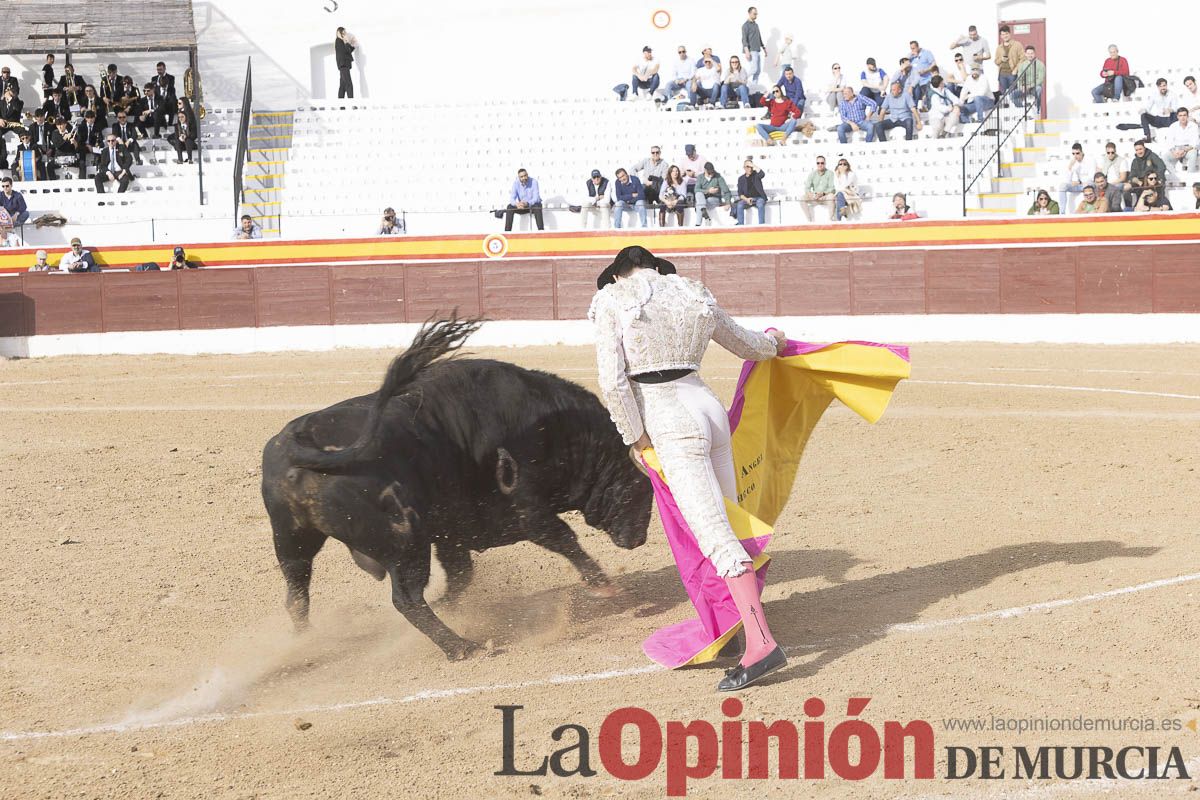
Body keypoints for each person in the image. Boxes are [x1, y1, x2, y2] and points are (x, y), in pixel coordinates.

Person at [588, 245, 788, 691]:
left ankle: (760, 643)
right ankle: (743, 629)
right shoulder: (690, 291)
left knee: (715, 536)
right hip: (708, 409)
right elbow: (748, 346)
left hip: (670, 418)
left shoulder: (613, 299)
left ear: (618, 274)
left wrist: (636, 438)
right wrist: (776, 341)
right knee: (729, 525)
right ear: (655, 267)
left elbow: (612, 381)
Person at [1126, 139, 1167, 208]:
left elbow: (1161, 167)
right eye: (1137, 150)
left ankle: (1159, 205)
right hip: (1141, 183)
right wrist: (1138, 182)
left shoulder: (1152, 156)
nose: (1139, 152)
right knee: (1126, 188)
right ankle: (1131, 207)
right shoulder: (1135, 161)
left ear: (1144, 148)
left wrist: (1159, 178)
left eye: (1140, 149)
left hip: (1153, 180)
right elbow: (1131, 176)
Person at [1162, 107, 1200, 174]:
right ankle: (1175, 175)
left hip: (1189, 148)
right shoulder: (1173, 126)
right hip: (1176, 149)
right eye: (1180, 115)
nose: (1182, 117)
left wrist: (1184, 150)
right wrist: (1174, 151)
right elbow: (1169, 141)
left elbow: (1195, 142)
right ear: (1177, 116)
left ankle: (1190, 176)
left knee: (1193, 155)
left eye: (1184, 115)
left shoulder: (1193, 126)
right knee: (1164, 158)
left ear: (1187, 116)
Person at [694, 162, 731, 226]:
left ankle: (698, 224)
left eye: (712, 172)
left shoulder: (718, 177)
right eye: (709, 172)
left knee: (699, 205)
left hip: (714, 199)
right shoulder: (700, 177)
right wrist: (708, 191)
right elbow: (696, 189)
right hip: (703, 199)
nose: (711, 174)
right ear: (705, 170)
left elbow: (726, 191)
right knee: (698, 194)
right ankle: (703, 211)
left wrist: (727, 202)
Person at [801, 156, 835, 222]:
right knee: (802, 198)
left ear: (825, 163)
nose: (820, 165)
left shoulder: (830, 173)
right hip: (815, 197)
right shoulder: (812, 174)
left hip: (825, 197)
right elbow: (807, 188)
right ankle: (809, 220)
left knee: (831, 196)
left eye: (822, 163)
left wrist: (823, 194)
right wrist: (812, 195)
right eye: (818, 163)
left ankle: (830, 219)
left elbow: (832, 188)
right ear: (816, 164)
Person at [734, 159, 767, 225]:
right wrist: (746, 199)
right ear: (744, 168)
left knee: (760, 204)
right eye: (748, 167)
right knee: (739, 205)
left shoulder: (756, 175)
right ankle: (741, 225)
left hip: (758, 197)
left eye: (751, 167)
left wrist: (753, 165)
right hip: (747, 199)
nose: (750, 169)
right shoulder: (741, 179)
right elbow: (740, 194)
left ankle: (762, 225)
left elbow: (762, 174)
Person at [995, 25, 1024, 100]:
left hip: (1012, 73)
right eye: (1003, 34)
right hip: (1002, 74)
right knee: (1004, 95)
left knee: (1013, 94)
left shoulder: (1017, 44)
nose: (1005, 36)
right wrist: (1001, 59)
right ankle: (1006, 110)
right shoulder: (999, 47)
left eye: (1006, 34)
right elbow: (996, 61)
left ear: (1010, 34)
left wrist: (1016, 69)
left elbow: (1023, 58)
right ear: (1001, 36)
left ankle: (1016, 109)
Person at [1058, 143, 1089, 211]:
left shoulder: (1089, 160)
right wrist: (1070, 166)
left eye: (1077, 153)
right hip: (1080, 185)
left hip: (1088, 184)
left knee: (1089, 183)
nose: (1075, 156)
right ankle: (1062, 212)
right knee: (1062, 186)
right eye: (1073, 154)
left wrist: (1079, 182)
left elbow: (1091, 177)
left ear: (1082, 152)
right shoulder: (1074, 162)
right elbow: (1068, 180)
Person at [907, 40, 936, 108]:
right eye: (911, 48)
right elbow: (904, 64)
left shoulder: (926, 53)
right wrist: (909, 56)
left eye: (913, 48)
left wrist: (926, 70)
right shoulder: (911, 56)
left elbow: (934, 64)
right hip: (915, 82)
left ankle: (927, 107)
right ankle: (914, 109)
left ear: (918, 47)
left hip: (925, 80)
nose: (912, 50)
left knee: (927, 94)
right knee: (912, 92)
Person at [742, 7, 766, 83]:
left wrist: (764, 48)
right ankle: (742, 78)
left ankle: (754, 87)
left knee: (758, 71)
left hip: (757, 50)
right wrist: (746, 51)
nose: (756, 15)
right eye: (754, 13)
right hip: (751, 50)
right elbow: (744, 39)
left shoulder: (756, 25)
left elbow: (759, 37)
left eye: (756, 14)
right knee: (754, 69)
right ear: (749, 13)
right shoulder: (745, 25)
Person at [0, 85, 23, 165]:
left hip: (14, 124)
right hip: (3, 124)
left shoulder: (19, 102)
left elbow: (17, 108)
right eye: (12, 92)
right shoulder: (1, 102)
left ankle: (22, 153)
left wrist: (10, 99)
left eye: (15, 93)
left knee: (23, 131)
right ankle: (2, 156)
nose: (14, 94)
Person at [335, 27, 355, 99]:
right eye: (343, 33)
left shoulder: (342, 41)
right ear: (339, 33)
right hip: (343, 65)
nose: (344, 34)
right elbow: (346, 51)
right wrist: (346, 42)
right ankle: (351, 102)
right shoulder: (339, 41)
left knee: (342, 85)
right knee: (349, 84)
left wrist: (352, 45)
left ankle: (341, 105)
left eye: (345, 33)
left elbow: (349, 51)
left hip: (345, 65)